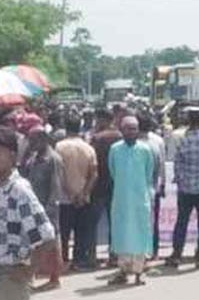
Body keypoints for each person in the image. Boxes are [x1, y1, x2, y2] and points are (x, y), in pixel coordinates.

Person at [0, 127, 59, 300]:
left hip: (12, 274)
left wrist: (29, 270)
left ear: (12, 156)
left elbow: (47, 236)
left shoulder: (19, 191)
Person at [166, 107, 199, 268]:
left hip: (186, 187)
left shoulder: (183, 139)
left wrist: (180, 180)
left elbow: (177, 163)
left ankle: (176, 254)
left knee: (181, 221)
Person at [107, 116, 156, 286]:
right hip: (121, 198)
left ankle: (139, 272)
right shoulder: (115, 149)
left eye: (134, 128)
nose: (131, 132)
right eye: (128, 128)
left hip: (140, 199)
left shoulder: (145, 150)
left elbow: (149, 173)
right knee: (122, 234)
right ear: (121, 130)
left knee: (140, 234)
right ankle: (123, 270)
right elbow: (112, 171)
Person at [20, 126, 63, 290]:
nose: (30, 144)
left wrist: (49, 209)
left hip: (47, 209)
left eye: (33, 140)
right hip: (33, 206)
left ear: (44, 139)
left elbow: (56, 187)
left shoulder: (53, 159)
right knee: (34, 243)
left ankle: (54, 278)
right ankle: (32, 275)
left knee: (51, 243)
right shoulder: (34, 158)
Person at [55, 115, 98, 271]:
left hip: (64, 198)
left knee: (64, 232)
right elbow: (94, 174)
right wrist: (83, 194)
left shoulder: (59, 147)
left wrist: (70, 193)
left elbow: (59, 173)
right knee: (81, 232)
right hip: (83, 198)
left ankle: (63, 260)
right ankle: (79, 261)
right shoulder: (88, 147)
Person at [89, 108, 122, 264]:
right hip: (116, 183)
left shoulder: (97, 138)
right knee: (115, 220)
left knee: (92, 222)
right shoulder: (120, 136)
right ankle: (114, 255)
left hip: (99, 184)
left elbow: (92, 161)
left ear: (102, 120)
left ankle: (91, 255)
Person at [139, 114, 167, 260]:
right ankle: (153, 251)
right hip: (153, 187)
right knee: (153, 220)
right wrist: (163, 184)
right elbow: (162, 165)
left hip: (139, 189)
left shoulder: (133, 142)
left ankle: (143, 251)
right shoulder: (158, 141)